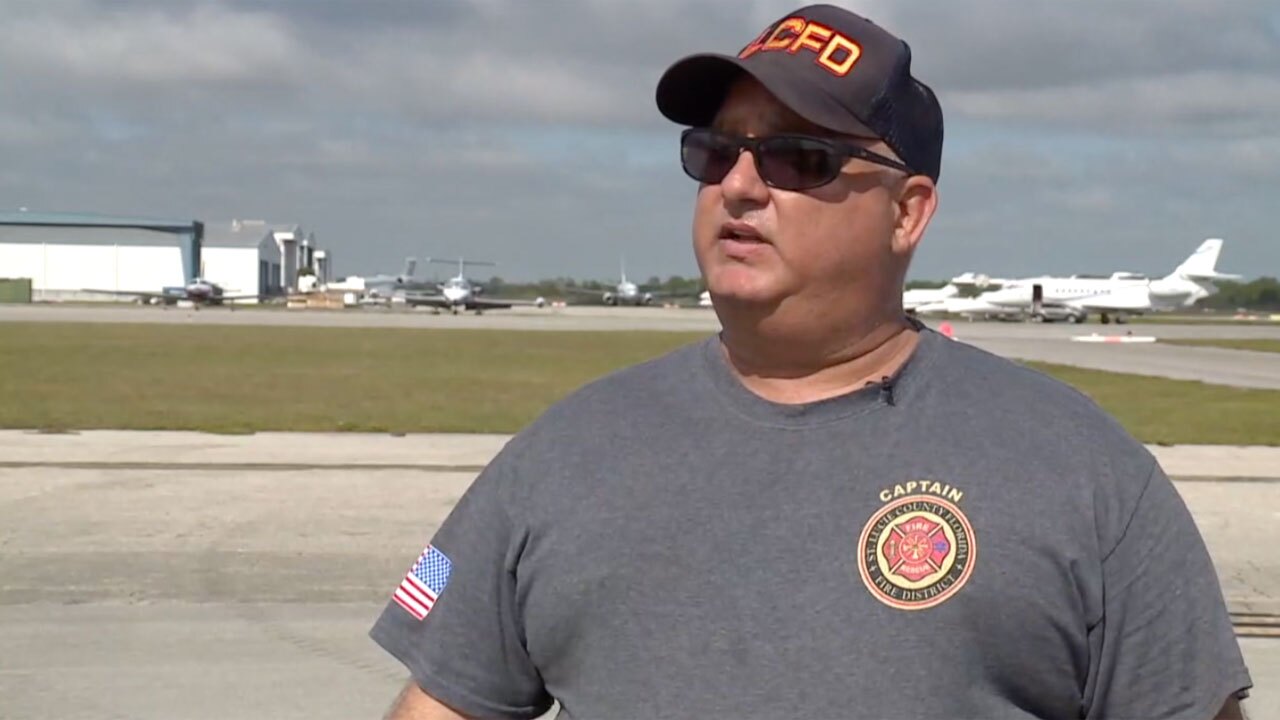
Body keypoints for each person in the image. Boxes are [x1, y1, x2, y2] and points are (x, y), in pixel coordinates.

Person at [370, 4, 1253, 718]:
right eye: (715, 151)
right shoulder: (567, 453)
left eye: (800, 156)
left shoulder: (1081, 472)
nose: (740, 186)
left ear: (908, 213)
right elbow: (444, 704)